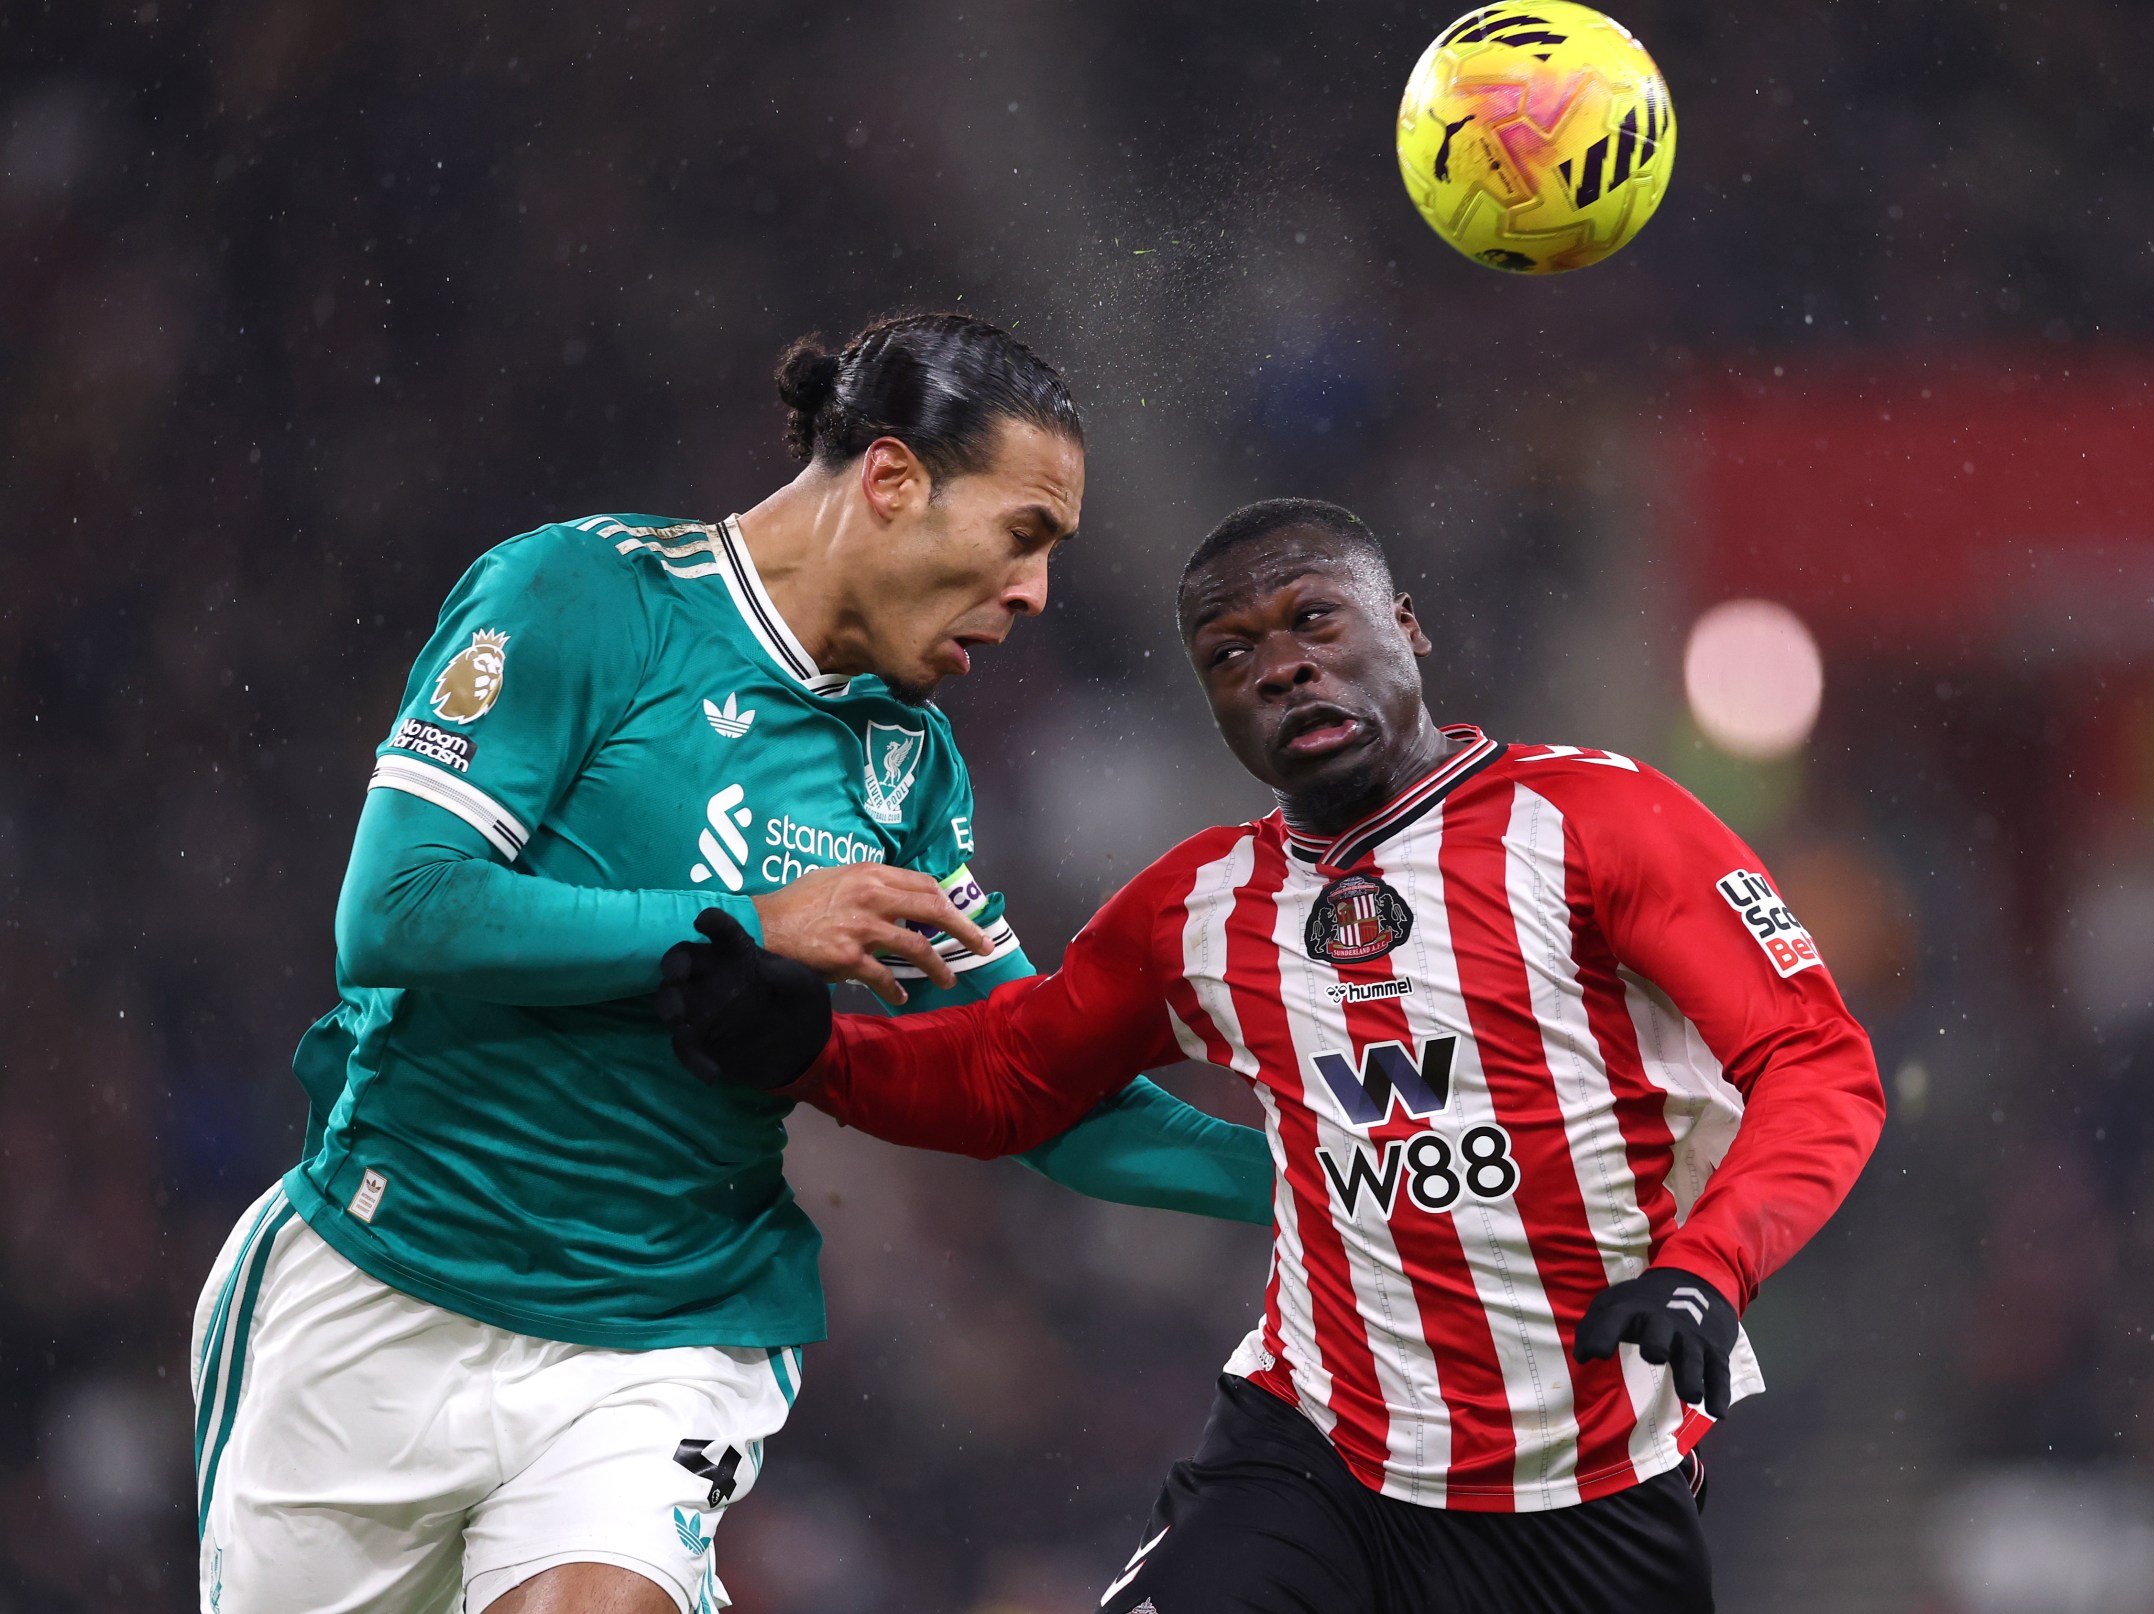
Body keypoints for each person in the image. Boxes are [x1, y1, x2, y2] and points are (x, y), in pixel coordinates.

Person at [190, 313, 1274, 1614]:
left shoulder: (908, 770)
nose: (1036, 591)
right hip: (383, 1290)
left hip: (661, 1336)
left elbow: (1032, 1084)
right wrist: (754, 919)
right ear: (892, 479)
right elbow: (401, 911)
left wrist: (1332, 1180)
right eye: (1022, 534)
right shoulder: (585, 598)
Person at [663, 497, 1886, 1612]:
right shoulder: (1197, 906)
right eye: (1229, 655)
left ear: (1407, 626)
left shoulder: (1599, 819)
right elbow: (1009, 1075)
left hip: (1587, 1491)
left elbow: (1820, 1064)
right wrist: (809, 1054)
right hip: (1313, 1460)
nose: (1281, 666)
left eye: (1314, 620)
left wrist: (1710, 1266)